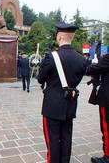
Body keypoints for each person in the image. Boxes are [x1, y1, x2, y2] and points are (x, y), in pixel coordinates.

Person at [38, 23, 87, 163]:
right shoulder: (82, 59)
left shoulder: (51, 57)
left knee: (53, 140)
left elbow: (41, 78)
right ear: (72, 37)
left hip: (52, 105)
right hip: (70, 104)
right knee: (66, 138)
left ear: (59, 37)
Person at [86, 53, 109, 163]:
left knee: (107, 128)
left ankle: (107, 157)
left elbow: (92, 70)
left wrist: (89, 63)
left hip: (107, 100)